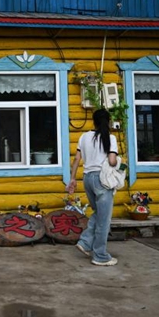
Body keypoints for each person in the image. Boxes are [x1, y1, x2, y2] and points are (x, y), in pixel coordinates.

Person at [66, 108, 119, 266]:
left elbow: (76, 159)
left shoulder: (84, 137)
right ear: (108, 121)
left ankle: (85, 243)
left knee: (98, 213)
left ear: (94, 121)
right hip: (102, 180)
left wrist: (73, 179)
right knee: (104, 219)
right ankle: (100, 256)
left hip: (87, 178)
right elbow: (111, 162)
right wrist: (118, 162)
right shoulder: (110, 138)